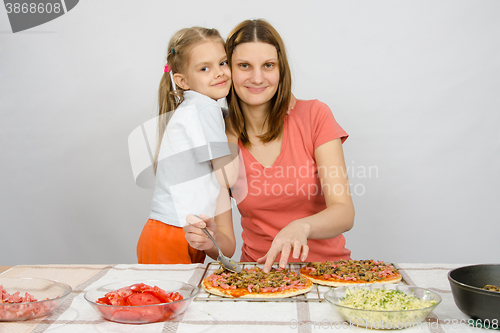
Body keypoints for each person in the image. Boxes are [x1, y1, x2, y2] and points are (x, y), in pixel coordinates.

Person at [184, 19, 355, 272]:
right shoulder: (218, 135)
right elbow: (227, 245)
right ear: (227, 69)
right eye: (244, 66)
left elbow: (344, 212)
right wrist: (209, 239)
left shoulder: (315, 115)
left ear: (280, 69)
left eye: (268, 65)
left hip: (328, 273)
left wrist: (301, 226)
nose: (257, 77)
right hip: (259, 277)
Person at [137, 27, 238, 264]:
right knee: (167, 301)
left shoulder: (196, 108)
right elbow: (227, 178)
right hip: (170, 234)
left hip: (182, 233)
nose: (219, 73)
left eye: (223, 63)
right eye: (205, 68)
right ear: (182, 80)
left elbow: (228, 247)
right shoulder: (205, 107)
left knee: (178, 301)